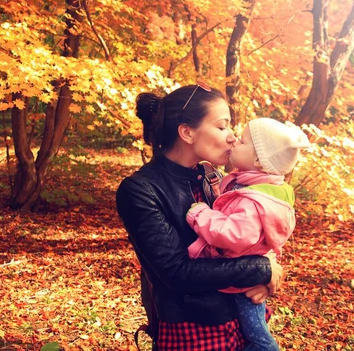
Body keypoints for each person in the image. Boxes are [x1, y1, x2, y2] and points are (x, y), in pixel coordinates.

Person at [115, 83, 284, 351]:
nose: (231, 137)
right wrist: (261, 269)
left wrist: (265, 275)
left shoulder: (212, 176)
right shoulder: (140, 190)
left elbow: (249, 235)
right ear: (187, 132)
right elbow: (177, 273)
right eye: (221, 126)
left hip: (240, 322)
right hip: (193, 331)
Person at [185, 117, 311, 350]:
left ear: (258, 160)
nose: (233, 140)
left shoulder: (253, 198)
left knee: (258, 337)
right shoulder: (251, 185)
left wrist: (200, 214)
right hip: (241, 275)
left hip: (243, 284)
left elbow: (235, 235)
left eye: (242, 141)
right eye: (223, 128)